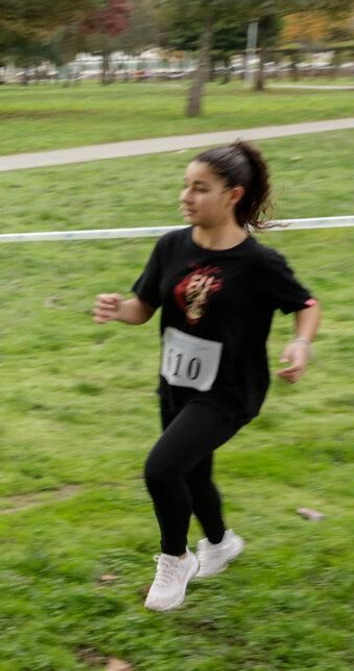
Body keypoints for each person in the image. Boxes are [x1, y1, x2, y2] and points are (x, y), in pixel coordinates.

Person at [92, 141, 321, 612]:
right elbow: (143, 310)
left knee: (162, 469)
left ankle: (175, 561)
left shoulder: (259, 264)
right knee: (192, 472)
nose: (186, 196)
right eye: (185, 186)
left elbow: (306, 305)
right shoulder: (171, 245)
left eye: (200, 189)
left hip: (231, 389)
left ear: (232, 196)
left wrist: (301, 343)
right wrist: (118, 310)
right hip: (177, 380)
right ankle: (219, 543)